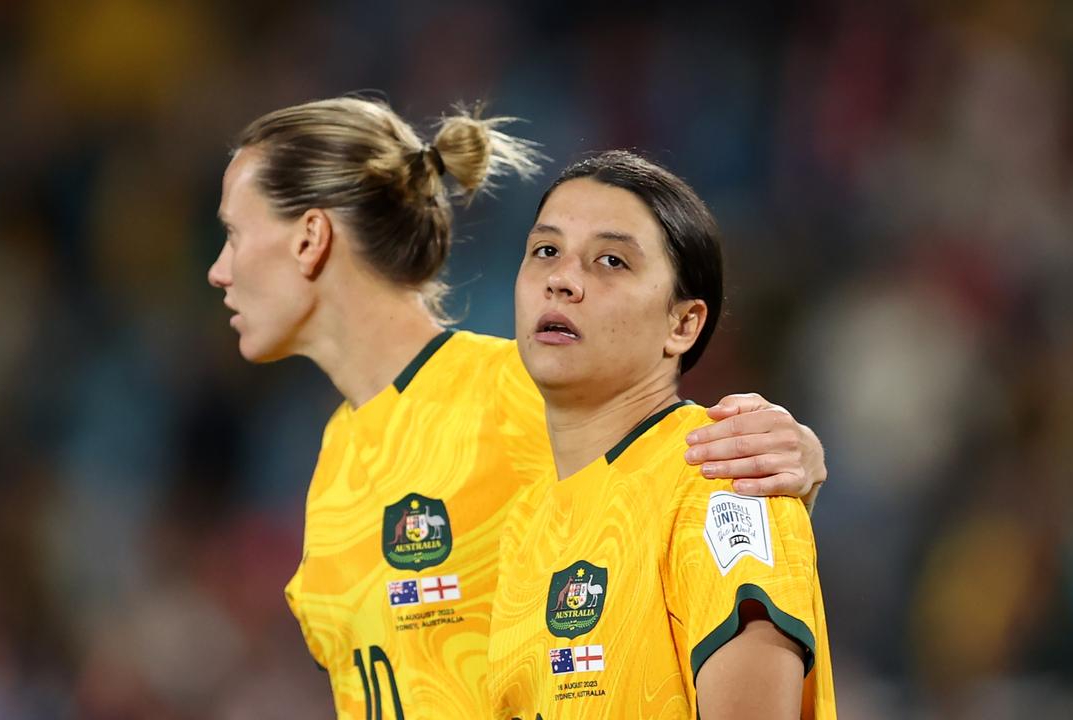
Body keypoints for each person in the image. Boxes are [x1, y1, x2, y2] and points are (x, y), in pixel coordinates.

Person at [207, 97, 829, 719]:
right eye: (545, 252)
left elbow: (681, 471)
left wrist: (790, 460)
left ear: (312, 237)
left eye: (233, 234)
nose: (217, 270)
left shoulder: (532, 391)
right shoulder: (332, 472)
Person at [488, 150, 835, 719]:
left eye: (611, 261)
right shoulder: (526, 522)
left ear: (683, 324)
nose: (562, 280)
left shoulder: (722, 480)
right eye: (546, 251)